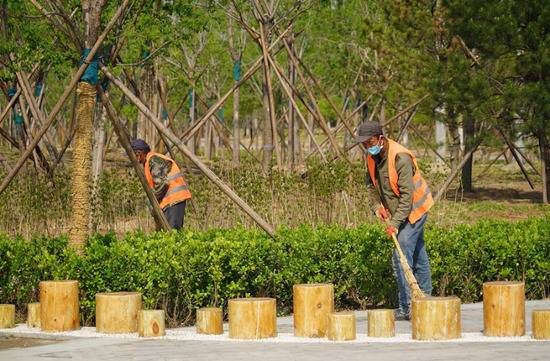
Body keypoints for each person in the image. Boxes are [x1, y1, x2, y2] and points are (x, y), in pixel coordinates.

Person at [356, 121, 434, 320]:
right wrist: (377, 206)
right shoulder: (372, 156)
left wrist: (394, 223)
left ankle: (407, 306)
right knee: (418, 252)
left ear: (381, 138)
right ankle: (425, 300)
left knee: (401, 255)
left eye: (370, 142)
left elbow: (407, 197)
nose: (367, 146)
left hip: (415, 209)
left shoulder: (400, 157)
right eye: (364, 144)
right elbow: (371, 186)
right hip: (399, 211)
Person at [130, 139, 192, 230]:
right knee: (167, 235)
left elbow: (162, 183)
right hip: (170, 201)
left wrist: (153, 201)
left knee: (173, 234)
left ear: (139, 153)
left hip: (174, 200)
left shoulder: (154, 160)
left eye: (132, 156)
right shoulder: (149, 162)